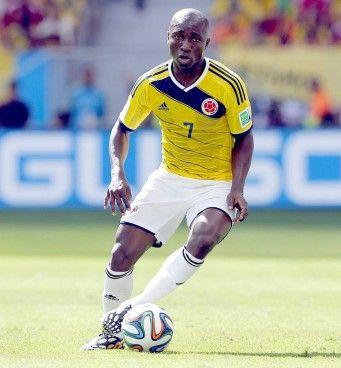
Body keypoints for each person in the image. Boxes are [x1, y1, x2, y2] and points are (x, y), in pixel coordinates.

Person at [81, 8, 254, 350]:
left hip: (215, 183)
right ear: (168, 39)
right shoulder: (151, 84)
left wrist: (236, 188)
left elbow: (245, 138)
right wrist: (118, 174)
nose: (185, 44)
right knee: (120, 254)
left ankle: (131, 309)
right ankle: (110, 335)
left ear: (207, 41)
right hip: (170, 178)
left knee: (205, 236)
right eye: (179, 36)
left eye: (194, 38)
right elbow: (122, 129)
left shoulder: (228, 85)